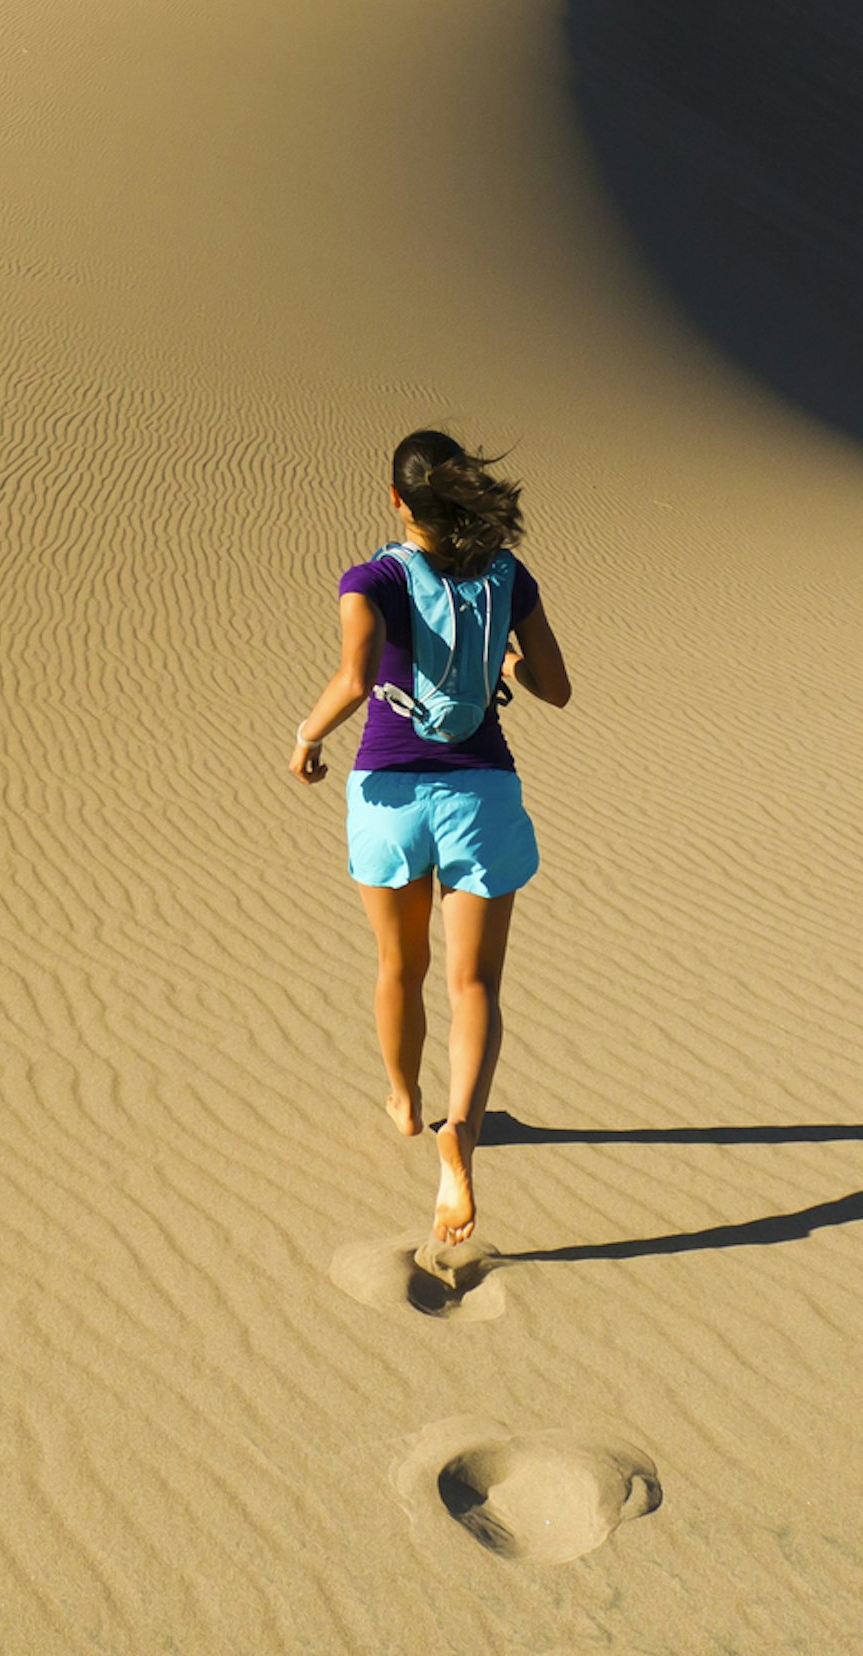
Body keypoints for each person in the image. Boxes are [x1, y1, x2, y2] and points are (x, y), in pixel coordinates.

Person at [289, 429, 568, 1251]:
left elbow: (354, 676)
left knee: (397, 967)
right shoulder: (509, 577)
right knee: (472, 984)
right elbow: (557, 688)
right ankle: (464, 1136)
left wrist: (305, 738)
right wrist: (508, 666)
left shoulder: (370, 577)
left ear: (396, 501)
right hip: (481, 791)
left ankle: (407, 1103)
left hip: (388, 795)